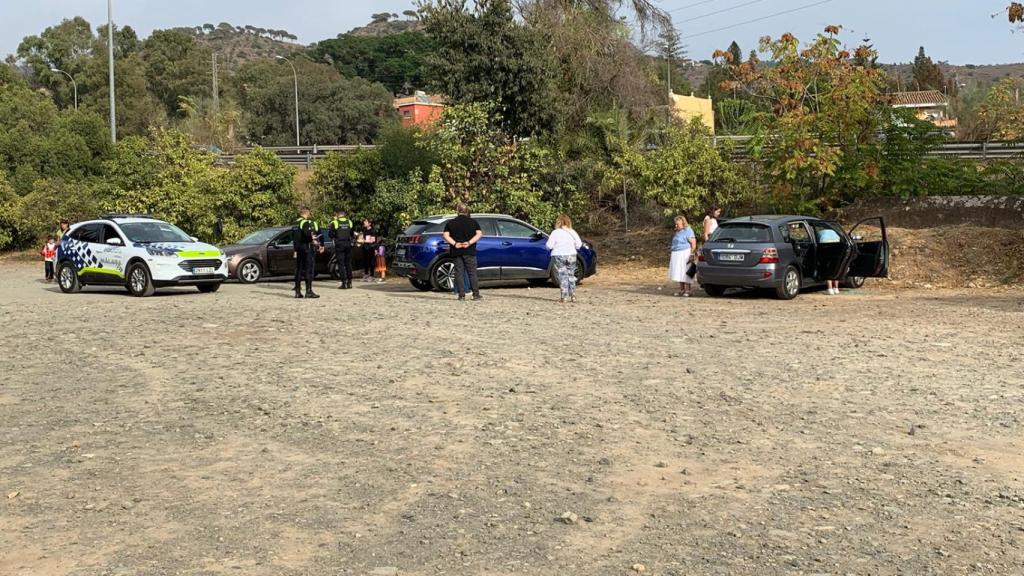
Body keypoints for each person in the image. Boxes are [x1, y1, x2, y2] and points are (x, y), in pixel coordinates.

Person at [442, 204, 483, 301]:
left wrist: (455, 243)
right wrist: (469, 243)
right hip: (469, 251)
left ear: (457, 210)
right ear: (467, 211)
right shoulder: (473, 222)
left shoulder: (451, 223)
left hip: (456, 251)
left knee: (459, 272)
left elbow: (445, 235)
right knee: (472, 273)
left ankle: (461, 295)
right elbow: (479, 234)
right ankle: (476, 294)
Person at [545, 214, 583, 303]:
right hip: (571, 255)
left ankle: (564, 297)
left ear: (558, 222)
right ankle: (573, 296)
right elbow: (579, 245)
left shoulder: (555, 232)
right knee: (571, 275)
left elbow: (548, 245)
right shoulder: (572, 231)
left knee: (562, 276)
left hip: (559, 255)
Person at [292, 207, 323, 299]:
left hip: (298, 248)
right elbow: (307, 234)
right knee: (308, 270)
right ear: (307, 213)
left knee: (298, 270)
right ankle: (308, 291)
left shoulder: (295, 223)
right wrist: (312, 239)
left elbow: (294, 236)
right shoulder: (305, 222)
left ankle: (297, 292)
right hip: (306, 248)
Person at [668, 216, 697, 297]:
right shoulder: (678, 232)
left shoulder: (688, 230)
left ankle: (688, 290)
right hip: (677, 253)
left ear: (683, 223)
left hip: (685, 253)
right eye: (675, 224)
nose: (676, 226)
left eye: (677, 224)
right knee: (679, 272)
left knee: (686, 270)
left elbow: (693, 243)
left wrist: (692, 254)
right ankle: (682, 289)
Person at [328, 208, 355, 289]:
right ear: (344, 214)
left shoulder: (335, 222)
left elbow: (330, 235)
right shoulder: (349, 222)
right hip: (348, 243)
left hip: (339, 244)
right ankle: (350, 282)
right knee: (348, 263)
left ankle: (344, 283)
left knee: (341, 264)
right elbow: (352, 233)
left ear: (337, 214)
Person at [817, 226, 843, 296]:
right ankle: (836, 288)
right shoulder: (835, 233)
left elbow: (816, 241)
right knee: (835, 270)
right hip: (836, 252)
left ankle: (830, 289)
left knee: (827, 270)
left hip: (826, 251)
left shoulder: (820, 233)